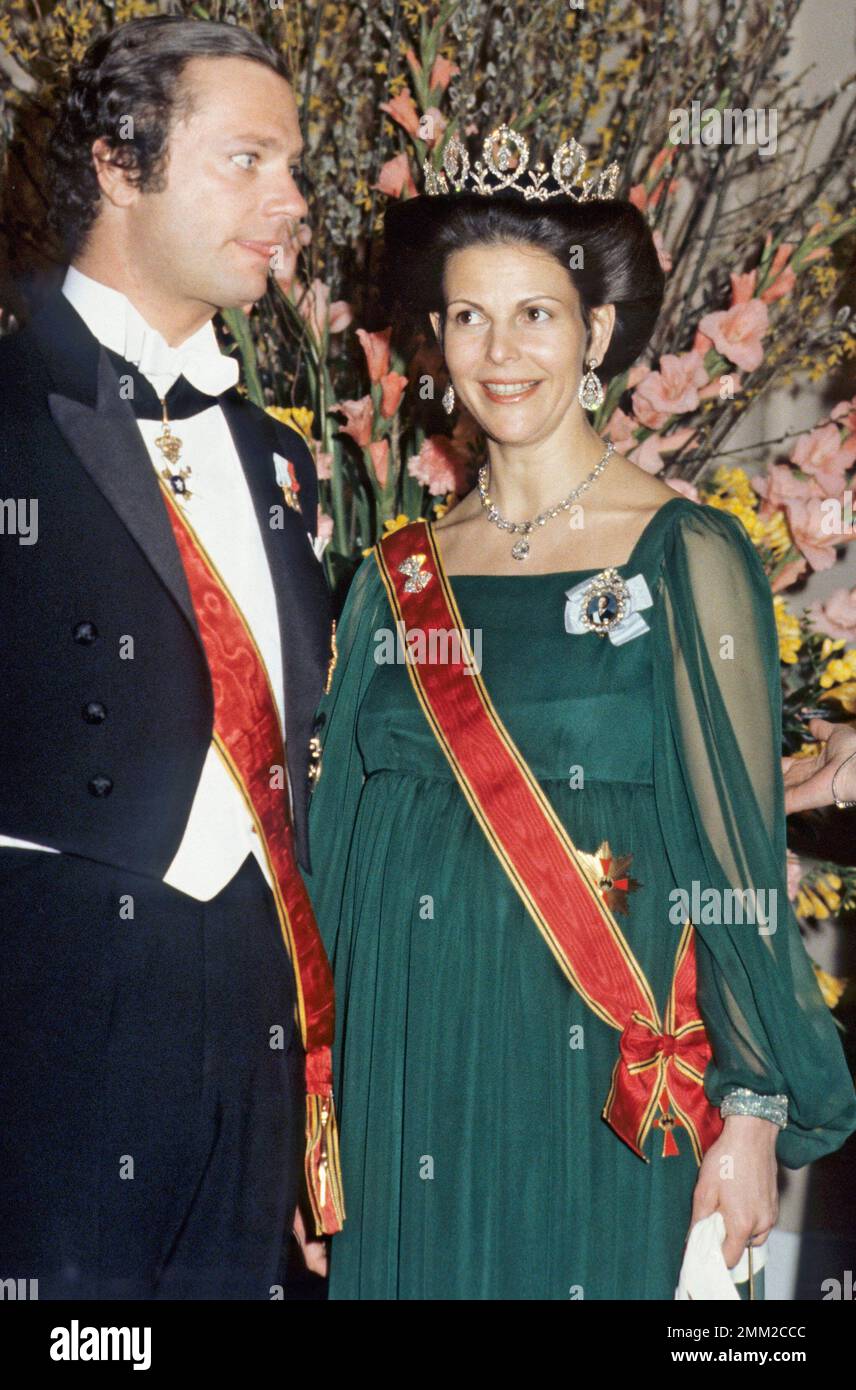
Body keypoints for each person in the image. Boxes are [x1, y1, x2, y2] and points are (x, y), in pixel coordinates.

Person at [301, 124, 856, 1299]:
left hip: (599, 1075)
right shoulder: (391, 573)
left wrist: (751, 1113)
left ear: (597, 332)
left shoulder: (685, 554)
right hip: (407, 1066)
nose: (499, 352)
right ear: (436, 339)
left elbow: (737, 862)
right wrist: (317, 1121)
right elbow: (335, 864)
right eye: (467, 316)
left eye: (535, 315)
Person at [0, 17, 340, 1298]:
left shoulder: (276, 458)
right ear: (119, 166)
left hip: (254, 1004)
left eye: (294, 168)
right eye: (248, 160)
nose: (292, 202)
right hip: (51, 1000)